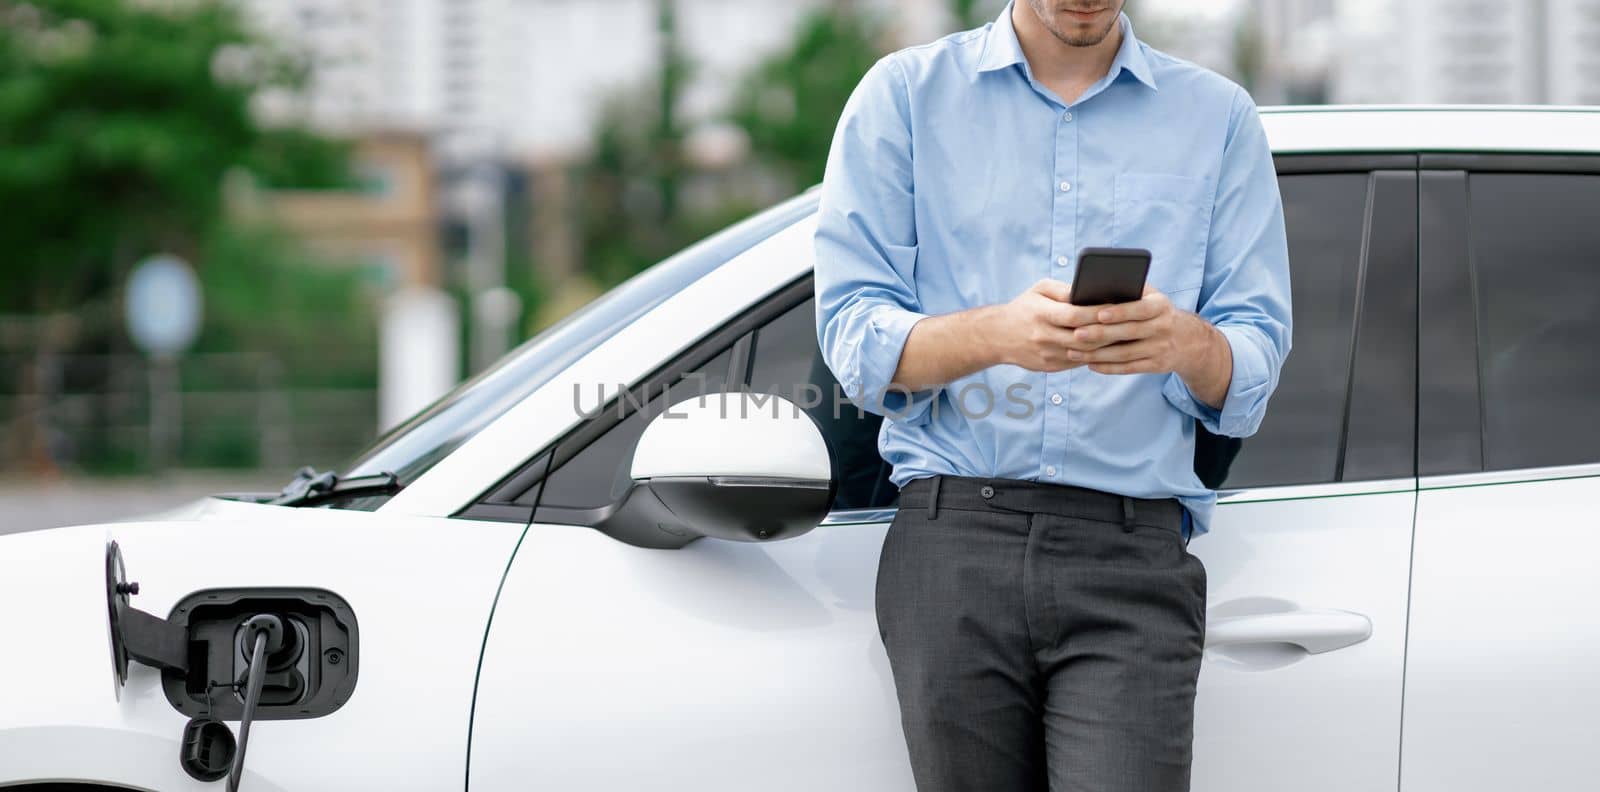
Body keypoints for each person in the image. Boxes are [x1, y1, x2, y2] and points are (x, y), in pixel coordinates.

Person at [812, 1, 1292, 790]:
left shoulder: (1219, 117)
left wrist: (1183, 342)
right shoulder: (903, 96)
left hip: (1132, 553)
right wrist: (998, 334)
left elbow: (1253, 362)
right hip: (954, 540)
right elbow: (855, 343)